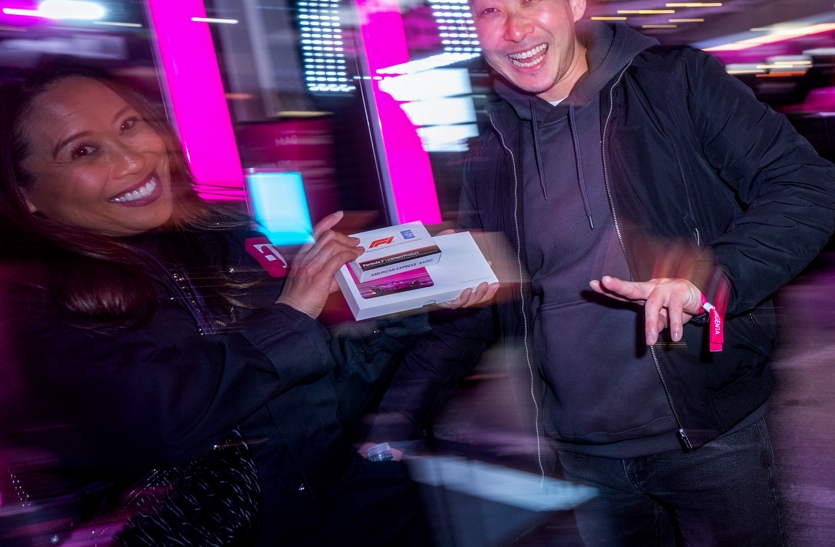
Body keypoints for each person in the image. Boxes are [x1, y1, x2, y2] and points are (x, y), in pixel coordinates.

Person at [379, 0, 835, 546]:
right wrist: (400, 411)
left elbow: (805, 185)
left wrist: (712, 279)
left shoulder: (675, 84)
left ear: (573, 0)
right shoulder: (492, 149)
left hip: (709, 433)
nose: (514, 29)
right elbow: (479, 302)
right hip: (584, 453)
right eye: (489, 10)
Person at [0, 66, 490, 545]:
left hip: (356, 513)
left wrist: (404, 302)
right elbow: (165, 422)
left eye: (130, 125)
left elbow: (315, 406)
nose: (132, 160)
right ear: (26, 194)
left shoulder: (226, 237)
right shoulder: (34, 301)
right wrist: (293, 313)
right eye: (83, 150)